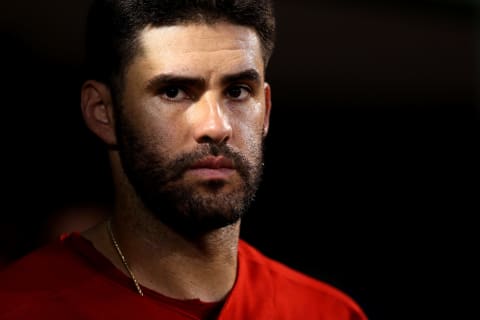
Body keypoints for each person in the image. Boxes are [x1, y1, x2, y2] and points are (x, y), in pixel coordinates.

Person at [0, 1, 368, 319]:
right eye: (174, 91)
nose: (216, 126)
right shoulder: (17, 307)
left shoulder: (326, 313)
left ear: (266, 110)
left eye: (238, 92)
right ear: (103, 112)